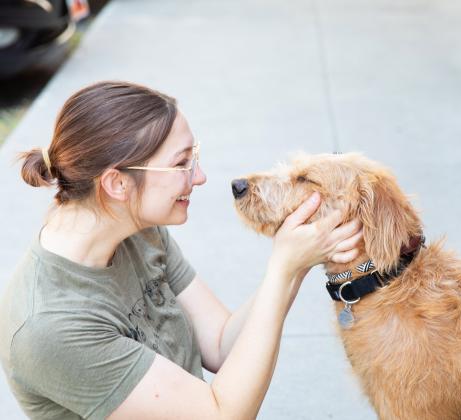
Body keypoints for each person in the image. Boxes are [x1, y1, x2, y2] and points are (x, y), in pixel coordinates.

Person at [0, 81, 362, 419]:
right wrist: (285, 267)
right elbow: (221, 414)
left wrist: (298, 258)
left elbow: (222, 344)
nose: (200, 176)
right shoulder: (49, 327)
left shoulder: (136, 230)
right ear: (117, 183)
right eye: (181, 163)